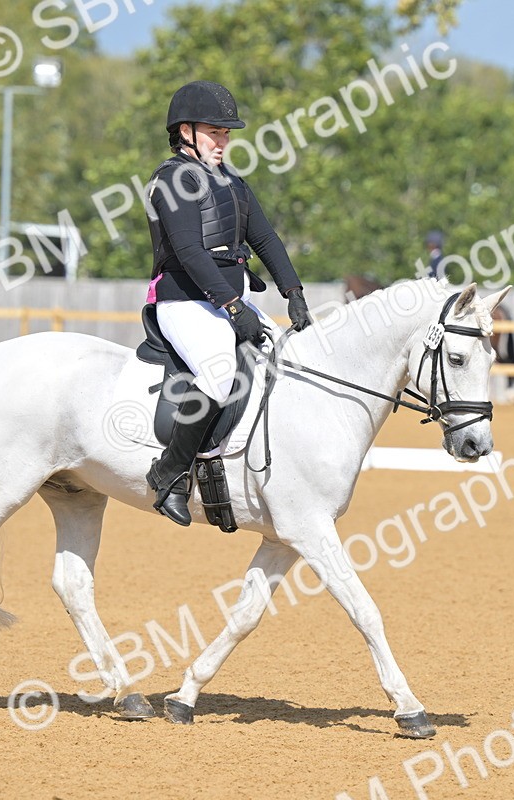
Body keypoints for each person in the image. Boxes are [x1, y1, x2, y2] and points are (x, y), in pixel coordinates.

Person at [144, 80, 312, 527]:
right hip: (185, 301)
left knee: (291, 359)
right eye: (215, 132)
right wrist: (234, 308)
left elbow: (265, 238)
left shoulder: (233, 183)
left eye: (226, 133)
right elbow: (189, 252)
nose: (224, 141)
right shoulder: (170, 180)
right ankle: (170, 473)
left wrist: (292, 291)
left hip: (228, 299)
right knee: (219, 376)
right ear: (186, 131)